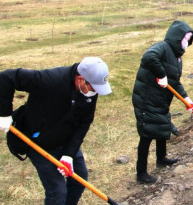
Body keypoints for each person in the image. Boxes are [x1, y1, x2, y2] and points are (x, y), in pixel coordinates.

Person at [0, 57, 112, 204]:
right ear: (80, 79)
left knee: (79, 179)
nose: (95, 92)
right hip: (38, 142)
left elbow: (84, 123)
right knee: (57, 192)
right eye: (93, 88)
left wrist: (69, 154)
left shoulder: (89, 92)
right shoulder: (50, 80)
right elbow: (7, 77)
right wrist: (4, 113)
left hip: (65, 139)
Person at [132, 21, 193, 184]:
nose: (187, 43)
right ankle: (141, 173)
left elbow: (174, 82)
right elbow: (148, 57)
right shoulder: (162, 47)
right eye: (186, 39)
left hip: (159, 99)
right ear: (177, 37)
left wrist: (187, 100)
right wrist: (161, 74)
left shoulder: (177, 57)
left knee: (162, 125)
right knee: (147, 133)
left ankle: (161, 158)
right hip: (146, 97)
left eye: (189, 40)